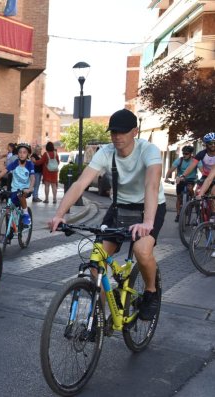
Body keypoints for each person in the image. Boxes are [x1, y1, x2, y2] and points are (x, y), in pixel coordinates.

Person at [49, 108, 165, 321]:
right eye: (113, 132)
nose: (117, 137)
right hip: (119, 207)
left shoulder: (148, 150)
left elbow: (152, 184)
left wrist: (148, 222)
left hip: (148, 208)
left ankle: (151, 291)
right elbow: (80, 183)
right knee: (96, 260)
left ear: (134, 132)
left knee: (141, 250)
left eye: (122, 132)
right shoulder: (106, 152)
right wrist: (60, 214)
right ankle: (99, 317)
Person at [0, 143, 35, 227]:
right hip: (14, 190)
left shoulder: (29, 164)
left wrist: (30, 188)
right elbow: (2, 173)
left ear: (27, 154)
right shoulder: (15, 164)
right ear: (17, 154)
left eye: (24, 152)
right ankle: (9, 231)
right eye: (20, 152)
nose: (22, 154)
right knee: (7, 210)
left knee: (21, 194)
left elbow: (32, 177)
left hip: (25, 190)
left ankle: (26, 214)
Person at [165, 145, 198, 222]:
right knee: (179, 197)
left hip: (191, 179)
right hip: (181, 179)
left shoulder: (195, 161)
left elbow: (201, 169)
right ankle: (178, 215)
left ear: (190, 154)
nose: (184, 155)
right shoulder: (179, 160)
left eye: (186, 154)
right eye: (183, 153)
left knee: (190, 188)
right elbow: (171, 170)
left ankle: (193, 199)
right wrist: (166, 178)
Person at [181, 132, 215, 199]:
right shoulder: (201, 154)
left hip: (211, 176)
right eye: (210, 143)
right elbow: (191, 166)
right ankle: (199, 208)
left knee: (213, 193)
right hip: (206, 175)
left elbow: (209, 179)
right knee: (197, 192)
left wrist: (201, 194)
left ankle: (213, 209)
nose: (213, 145)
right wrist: (183, 175)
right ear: (206, 144)